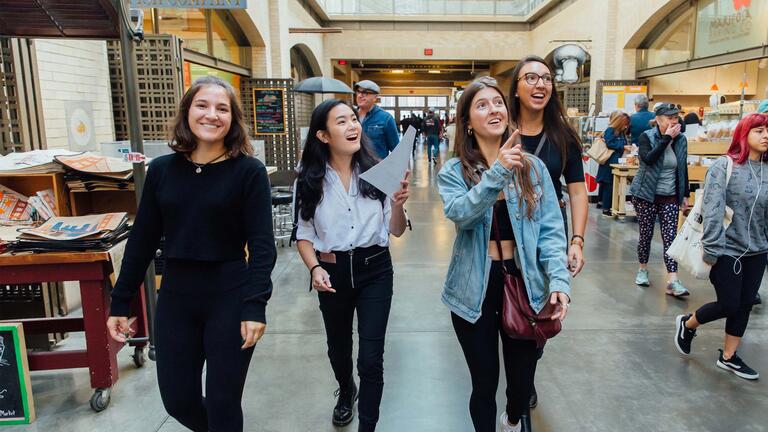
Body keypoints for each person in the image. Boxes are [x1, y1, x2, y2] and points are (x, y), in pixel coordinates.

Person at [106, 76, 277, 431]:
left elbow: (262, 246)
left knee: (222, 401)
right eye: (202, 105)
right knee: (178, 400)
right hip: (176, 298)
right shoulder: (163, 171)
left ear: (233, 119)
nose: (211, 115)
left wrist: (255, 305)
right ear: (187, 112)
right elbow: (142, 239)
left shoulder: (249, 171)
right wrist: (120, 302)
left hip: (229, 295)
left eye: (222, 108)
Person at [438, 76, 571, 432]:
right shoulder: (454, 171)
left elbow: (552, 230)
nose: (493, 109)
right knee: (484, 384)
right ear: (467, 121)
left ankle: (512, 420)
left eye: (498, 102)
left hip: (527, 282)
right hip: (473, 290)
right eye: (481, 105)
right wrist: (496, 174)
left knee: (521, 386)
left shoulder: (533, 167)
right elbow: (461, 214)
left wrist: (559, 279)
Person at [294, 99, 410, 432]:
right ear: (323, 135)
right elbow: (303, 234)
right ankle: (346, 389)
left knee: (371, 358)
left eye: (353, 120)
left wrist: (399, 205)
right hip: (331, 273)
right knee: (338, 349)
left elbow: (396, 230)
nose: (352, 126)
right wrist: (315, 268)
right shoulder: (308, 179)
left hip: (375, 269)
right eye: (341, 121)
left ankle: (368, 426)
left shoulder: (379, 171)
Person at [507, 55, 586, 409]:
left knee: (540, 308)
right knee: (507, 306)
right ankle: (515, 375)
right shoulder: (501, 127)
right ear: (516, 88)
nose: (540, 85)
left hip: (546, 235)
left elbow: (577, 189)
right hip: (504, 232)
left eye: (546, 79)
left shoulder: (562, 135)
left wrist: (577, 240)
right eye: (531, 78)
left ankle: (525, 374)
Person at [674, 113, 768, 380]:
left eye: (767, 131)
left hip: (757, 250)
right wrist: (712, 249)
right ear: (744, 134)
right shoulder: (723, 167)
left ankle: (729, 357)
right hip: (726, 249)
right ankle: (688, 323)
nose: (765, 136)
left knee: (746, 303)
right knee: (729, 304)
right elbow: (713, 211)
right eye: (759, 130)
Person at [629, 102, 690, 296]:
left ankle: (673, 279)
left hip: (670, 195)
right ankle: (643, 269)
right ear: (658, 120)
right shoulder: (646, 137)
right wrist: (665, 139)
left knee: (670, 237)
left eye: (676, 117)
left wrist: (685, 194)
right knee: (646, 234)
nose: (674, 121)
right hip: (646, 194)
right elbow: (648, 159)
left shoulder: (681, 140)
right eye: (670, 118)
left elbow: (682, 168)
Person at [597, 111, 632, 217]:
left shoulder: (620, 132)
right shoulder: (610, 130)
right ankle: (606, 208)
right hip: (609, 162)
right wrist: (623, 147)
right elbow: (610, 143)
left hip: (616, 161)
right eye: (625, 123)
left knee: (608, 184)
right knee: (608, 184)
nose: (626, 126)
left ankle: (604, 204)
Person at [355, 80, 400, 159]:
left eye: (365, 93)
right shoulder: (350, 115)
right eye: (358, 92)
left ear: (375, 97)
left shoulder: (385, 118)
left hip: (376, 168)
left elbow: (396, 149)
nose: (359, 95)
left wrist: (401, 167)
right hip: (353, 168)